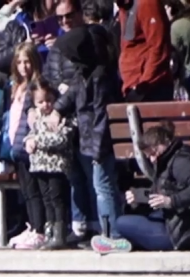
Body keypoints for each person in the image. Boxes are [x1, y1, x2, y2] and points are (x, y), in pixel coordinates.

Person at [96, 122, 190, 253]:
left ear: (164, 143)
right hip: (182, 224)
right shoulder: (169, 159)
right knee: (142, 215)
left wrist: (171, 201)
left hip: (186, 233)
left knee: (122, 223)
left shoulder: (182, 160)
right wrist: (138, 195)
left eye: (153, 153)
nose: (152, 159)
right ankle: (130, 242)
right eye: (149, 156)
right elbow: (165, 190)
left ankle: (127, 243)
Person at [54, 27, 122, 242]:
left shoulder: (100, 77)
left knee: (103, 187)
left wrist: (98, 151)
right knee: (100, 185)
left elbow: (102, 115)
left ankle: (112, 233)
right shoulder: (83, 73)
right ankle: (109, 231)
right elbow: (73, 93)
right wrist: (57, 109)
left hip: (100, 144)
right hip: (88, 139)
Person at [22, 83, 75, 250]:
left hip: (56, 166)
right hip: (39, 166)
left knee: (57, 198)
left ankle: (60, 234)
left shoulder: (61, 118)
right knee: (46, 199)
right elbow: (31, 134)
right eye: (40, 102)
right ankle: (49, 231)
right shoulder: (36, 119)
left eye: (49, 100)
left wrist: (37, 141)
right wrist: (28, 141)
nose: (46, 105)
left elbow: (61, 139)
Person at [6, 43, 49, 248]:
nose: (23, 66)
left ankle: (39, 229)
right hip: (17, 145)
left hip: (30, 145)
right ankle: (32, 226)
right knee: (26, 190)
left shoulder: (37, 85)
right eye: (20, 62)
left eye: (27, 61)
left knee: (34, 190)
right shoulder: (16, 86)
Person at [115, 0, 172, 100]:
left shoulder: (147, 3)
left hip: (149, 86)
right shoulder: (123, 7)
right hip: (131, 84)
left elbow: (158, 46)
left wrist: (143, 84)